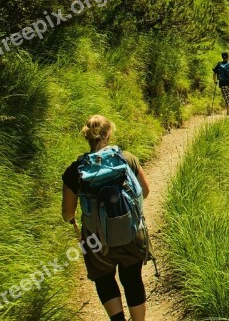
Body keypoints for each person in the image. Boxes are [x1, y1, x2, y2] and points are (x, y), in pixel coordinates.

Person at [62, 115, 150, 321]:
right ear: (109, 134)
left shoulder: (75, 171)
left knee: (104, 279)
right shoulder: (127, 159)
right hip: (131, 234)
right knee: (132, 278)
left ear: (86, 136)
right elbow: (144, 191)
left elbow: (67, 213)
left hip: (96, 240)